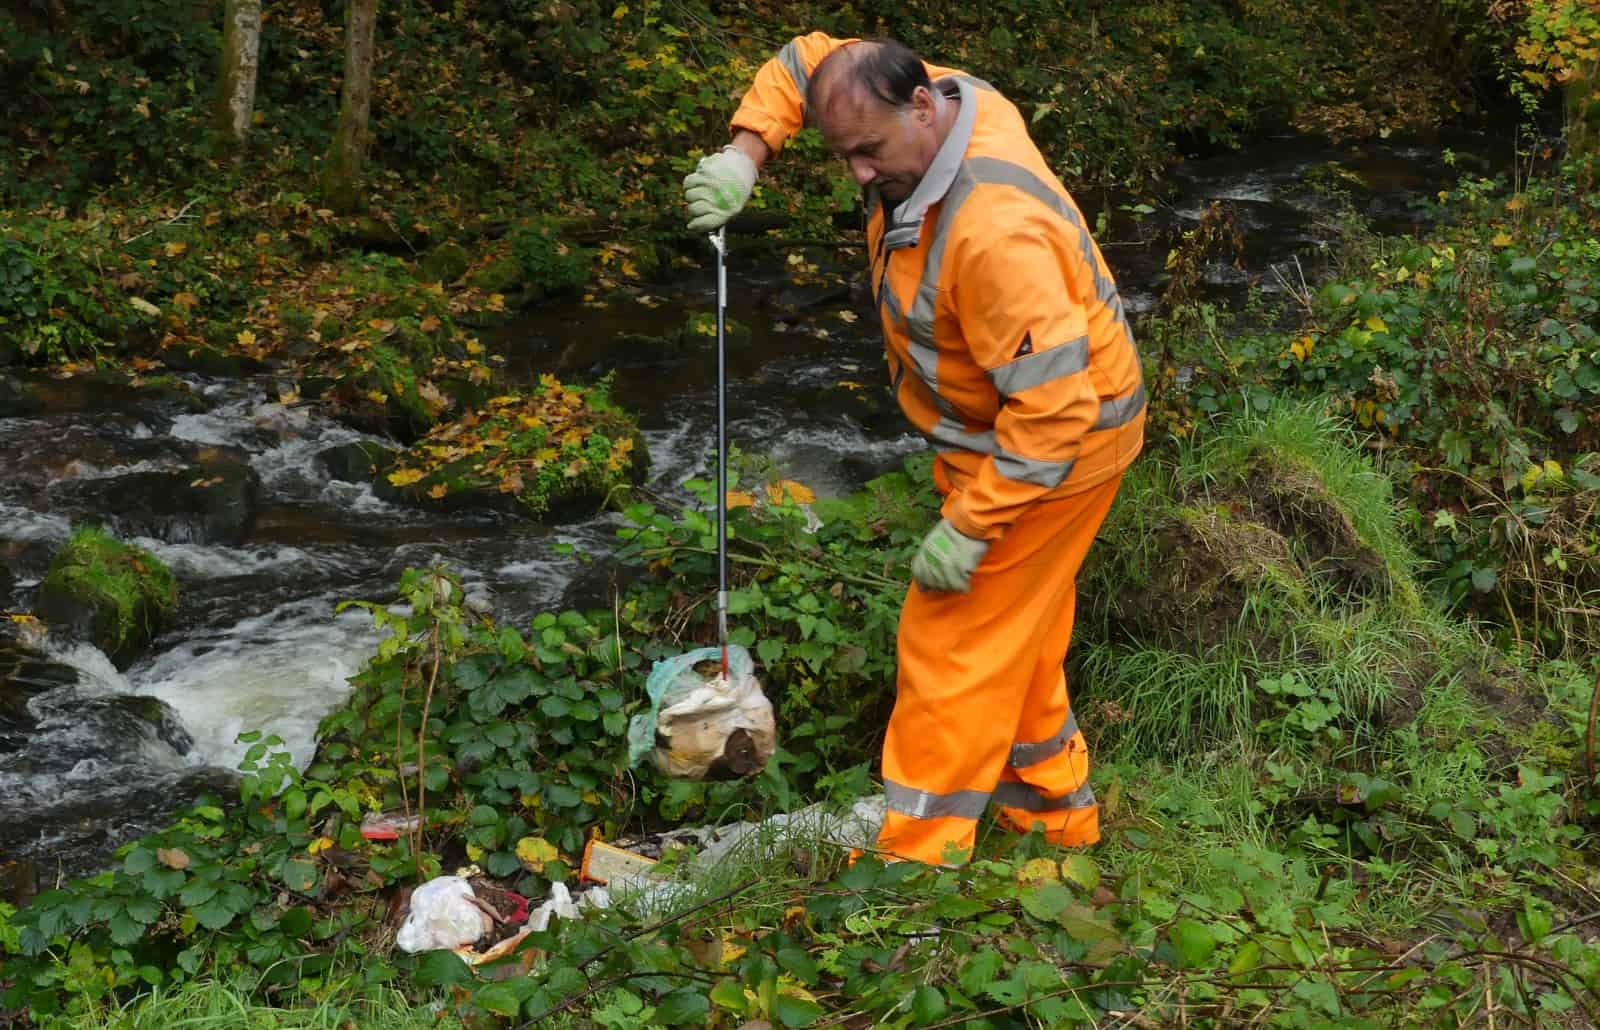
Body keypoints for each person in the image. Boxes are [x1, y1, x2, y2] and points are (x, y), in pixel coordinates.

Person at [682, 33, 1145, 865]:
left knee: (952, 643)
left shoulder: (997, 234)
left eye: (870, 151)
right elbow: (808, 60)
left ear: (922, 108)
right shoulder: (926, 97)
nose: (859, 173)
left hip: (1061, 450)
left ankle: (917, 862)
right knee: (1021, 636)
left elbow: (1054, 411)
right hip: (1004, 438)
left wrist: (973, 524)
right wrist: (748, 154)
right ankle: (1052, 818)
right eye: (842, 154)